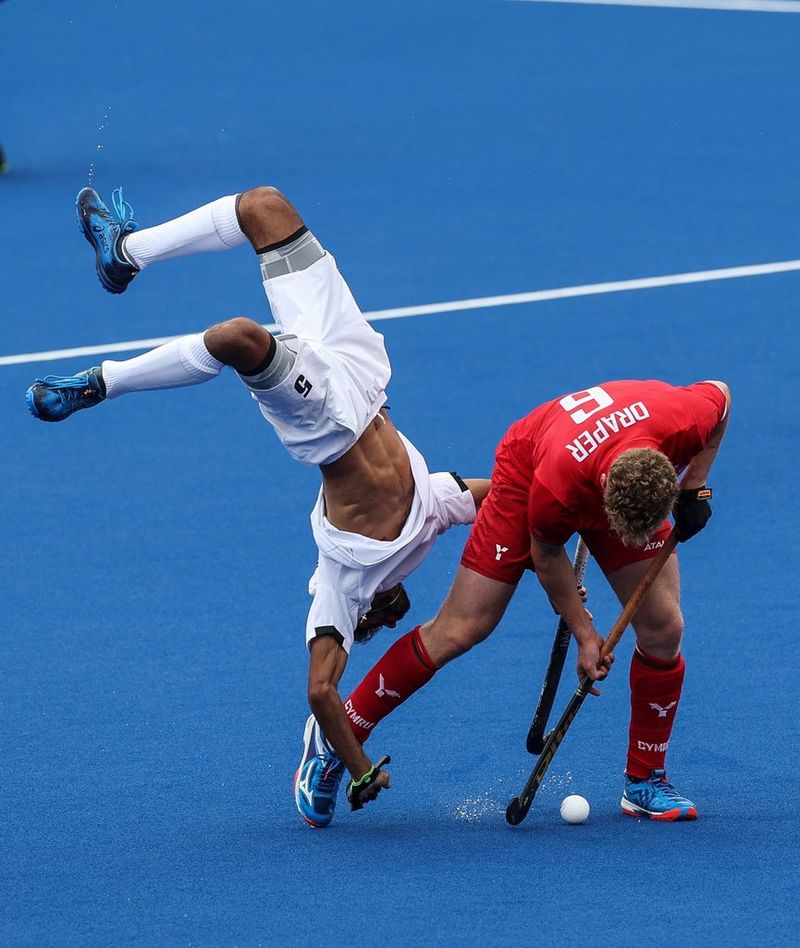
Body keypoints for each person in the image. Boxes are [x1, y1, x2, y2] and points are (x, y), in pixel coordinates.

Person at [25, 184, 490, 827]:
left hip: (323, 418)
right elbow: (501, 493)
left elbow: (321, 691)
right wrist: (578, 500)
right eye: (394, 612)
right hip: (359, 369)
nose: (392, 613)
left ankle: (103, 382)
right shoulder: (432, 512)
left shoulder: (344, 582)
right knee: (263, 206)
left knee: (238, 337)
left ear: (366, 612)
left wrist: (359, 770)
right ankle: (124, 253)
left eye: (382, 619)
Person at [320, 379, 730, 823]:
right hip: (530, 470)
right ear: (608, 489)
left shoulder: (685, 418)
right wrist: (586, 634)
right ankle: (342, 731)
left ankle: (645, 780)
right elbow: (548, 554)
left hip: (606, 463)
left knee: (664, 629)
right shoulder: (555, 487)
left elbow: (722, 396)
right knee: (464, 627)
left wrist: (695, 487)